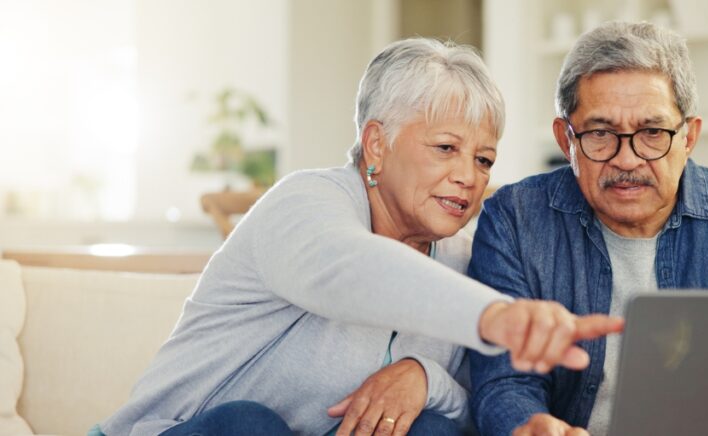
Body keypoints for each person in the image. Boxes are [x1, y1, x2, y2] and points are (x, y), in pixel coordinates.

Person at [97, 38, 622, 436]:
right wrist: (497, 316)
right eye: (445, 147)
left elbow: (473, 401)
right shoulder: (304, 205)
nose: (470, 175)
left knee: (432, 425)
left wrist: (423, 376)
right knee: (248, 424)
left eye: (483, 159)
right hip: (179, 430)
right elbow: (351, 269)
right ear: (376, 143)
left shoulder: (463, 258)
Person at [468, 22, 708, 436]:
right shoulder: (513, 219)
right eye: (600, 133)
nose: (627, 160)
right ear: (566, 139)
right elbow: (504, 381)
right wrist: (530, 427)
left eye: (651, 133)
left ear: (689, 137)